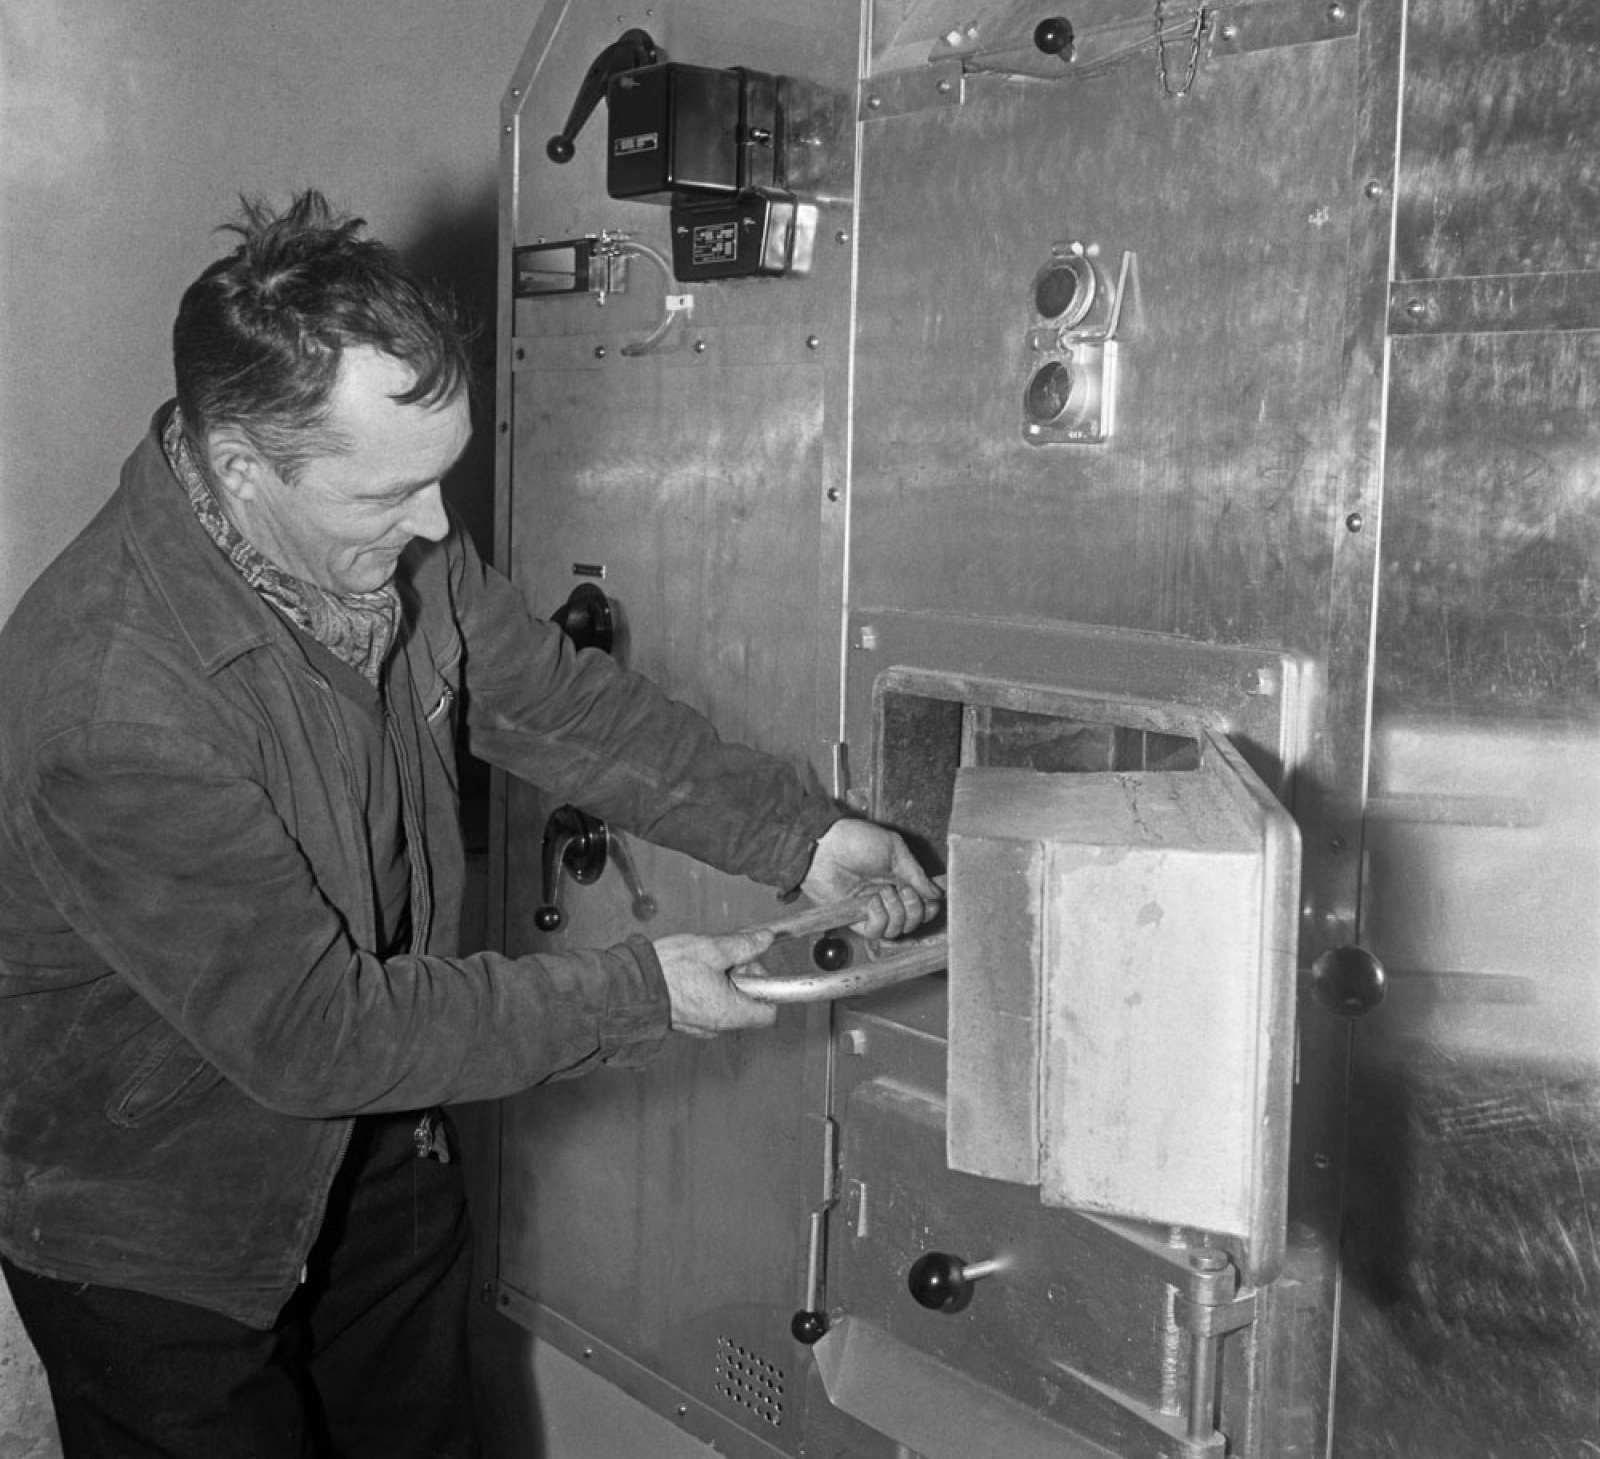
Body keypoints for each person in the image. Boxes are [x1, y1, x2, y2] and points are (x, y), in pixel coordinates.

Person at [0, 190, 939, 1458]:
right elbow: (310, 1033)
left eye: (443, 478)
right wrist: (643, 995)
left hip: (380, 1145)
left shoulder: (392, 543)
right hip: (159, 1211)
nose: (439, 527)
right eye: (394, 493)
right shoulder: (115, 701)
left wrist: (804, 837)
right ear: (239, 469)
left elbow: (561, 709)